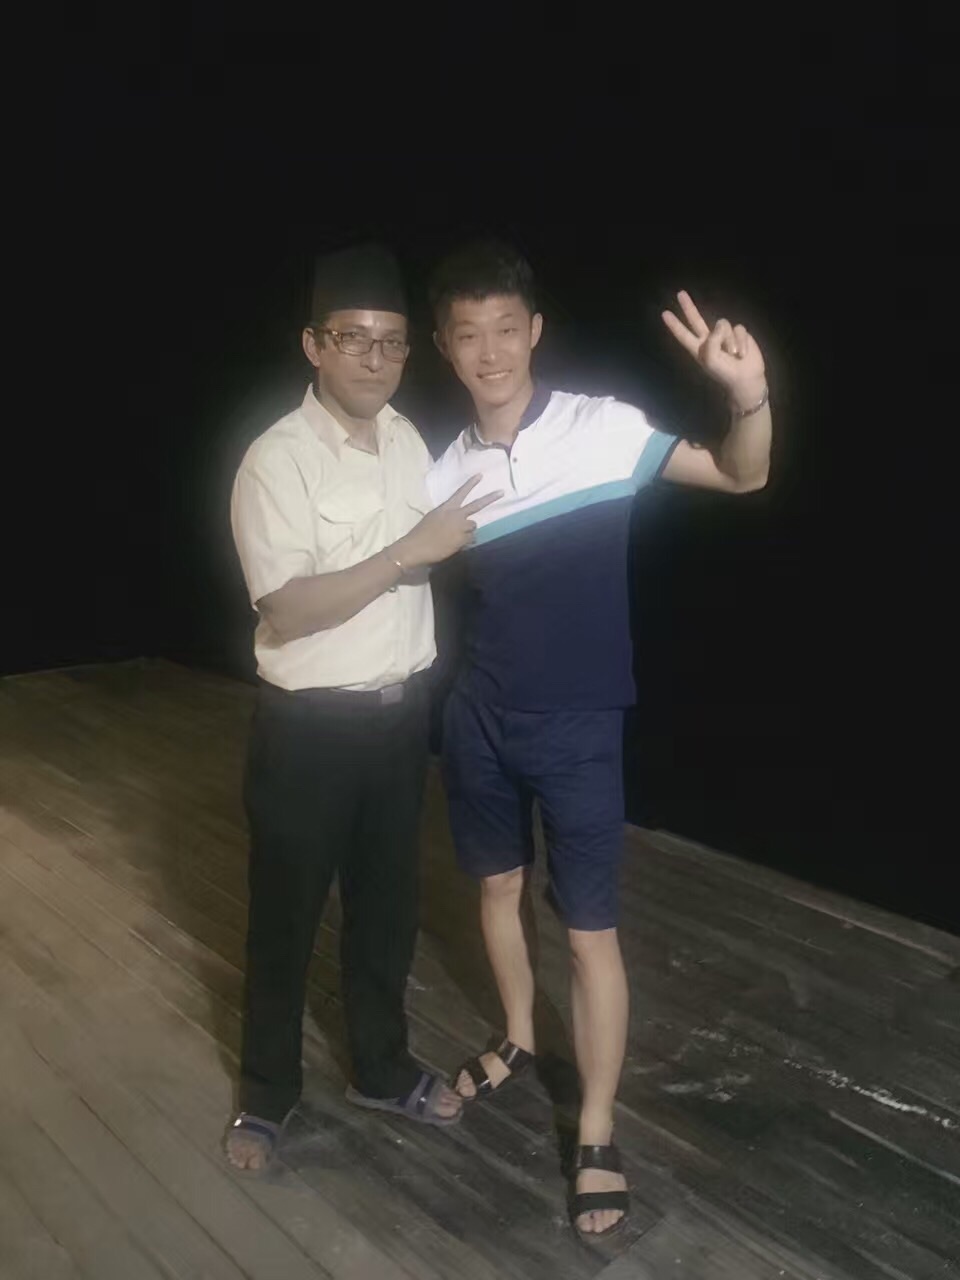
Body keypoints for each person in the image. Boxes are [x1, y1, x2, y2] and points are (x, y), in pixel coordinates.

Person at [425, 240, 771, 1239]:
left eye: (506, 328)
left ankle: (598, 1128)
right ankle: (518, 1037)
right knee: (495, 889)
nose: (491, 351)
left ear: (534, 331)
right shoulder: (441, 471)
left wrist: (749, 397)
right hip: (477, 715)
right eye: (468, 334)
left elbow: (741, 475)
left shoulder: (601, 428)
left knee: (588, 935)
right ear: (446, 348)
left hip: (579, 725)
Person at [226, 243, 499, 1171]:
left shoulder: (411, 442)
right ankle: (265, 1096)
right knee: (285, 919)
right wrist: (408, 553)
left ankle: (381, 1069)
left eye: (392, 343)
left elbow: (460, 521)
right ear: (314, 345)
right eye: (353, 340)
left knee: (387, 911)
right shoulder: (276, 461)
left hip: (398, 721)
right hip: (308, 730)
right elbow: (286, 608)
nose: (375, 360)